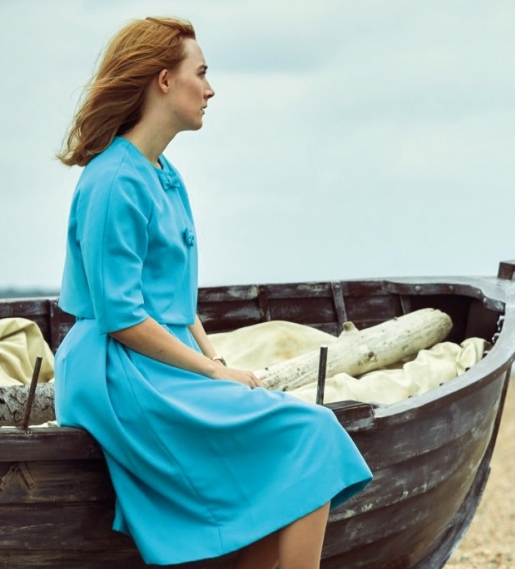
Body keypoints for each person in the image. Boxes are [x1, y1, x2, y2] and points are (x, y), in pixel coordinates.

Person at [53, 17, 372, 568]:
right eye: (200, 73)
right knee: (312, 432)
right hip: (118, 372)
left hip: (159, 361)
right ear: (163, 81)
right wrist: (216, 374)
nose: (211, 88)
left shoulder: (162, 172)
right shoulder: (113, 181)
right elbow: (120, 317)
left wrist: (214, 356)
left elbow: (176, 303)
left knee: (282, 484)